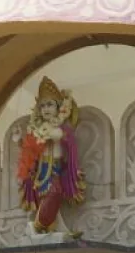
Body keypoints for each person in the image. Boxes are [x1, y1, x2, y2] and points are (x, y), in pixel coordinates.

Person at [17, 76, 86, 233]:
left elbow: (62, 138)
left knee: (54, 193)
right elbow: (30, 151)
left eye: (49, 105)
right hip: (40, 174)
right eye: (42, 106)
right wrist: (19, 141)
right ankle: (54, 228)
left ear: (59, 107)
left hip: (55, 170)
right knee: (44, 200)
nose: (46, 109)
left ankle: (39, 226)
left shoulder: (60, 129)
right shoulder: (37, 130)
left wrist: (53, 133)